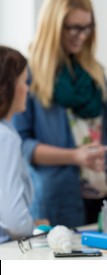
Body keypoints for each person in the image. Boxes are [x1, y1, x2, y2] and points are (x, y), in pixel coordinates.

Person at [13, 0, 107, 227]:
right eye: (73, 28)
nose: (82, 35)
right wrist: (75, 156)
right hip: (57, 201)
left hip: (103, 196)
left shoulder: (96, 74)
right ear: (53, 26)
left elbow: (106, 135)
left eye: (87, 27)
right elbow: (22, 146)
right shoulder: (29, 77)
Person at [0, 46, 35, 242]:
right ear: (8, 86)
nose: (27, 89)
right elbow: (15, 221)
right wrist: (33, 226)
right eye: (24, 81)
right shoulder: (5, 137)